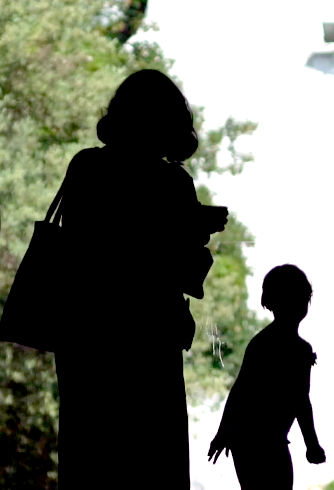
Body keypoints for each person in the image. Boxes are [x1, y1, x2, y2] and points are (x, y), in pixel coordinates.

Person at [52, 69, 227, 489]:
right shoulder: (172, 183)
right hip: (149, 338)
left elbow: (84, 245)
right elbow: (182, 269)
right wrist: (197, 228)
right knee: (152, 458)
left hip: (85, 335)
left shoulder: (87, 167)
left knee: (89, 454)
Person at [207, 264, 326, 490]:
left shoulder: (260, 343)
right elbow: (301, 400)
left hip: (245, 438)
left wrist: (223, 432)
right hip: (267, 440)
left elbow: (239, 390)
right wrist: (312, 444)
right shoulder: (298, 349)